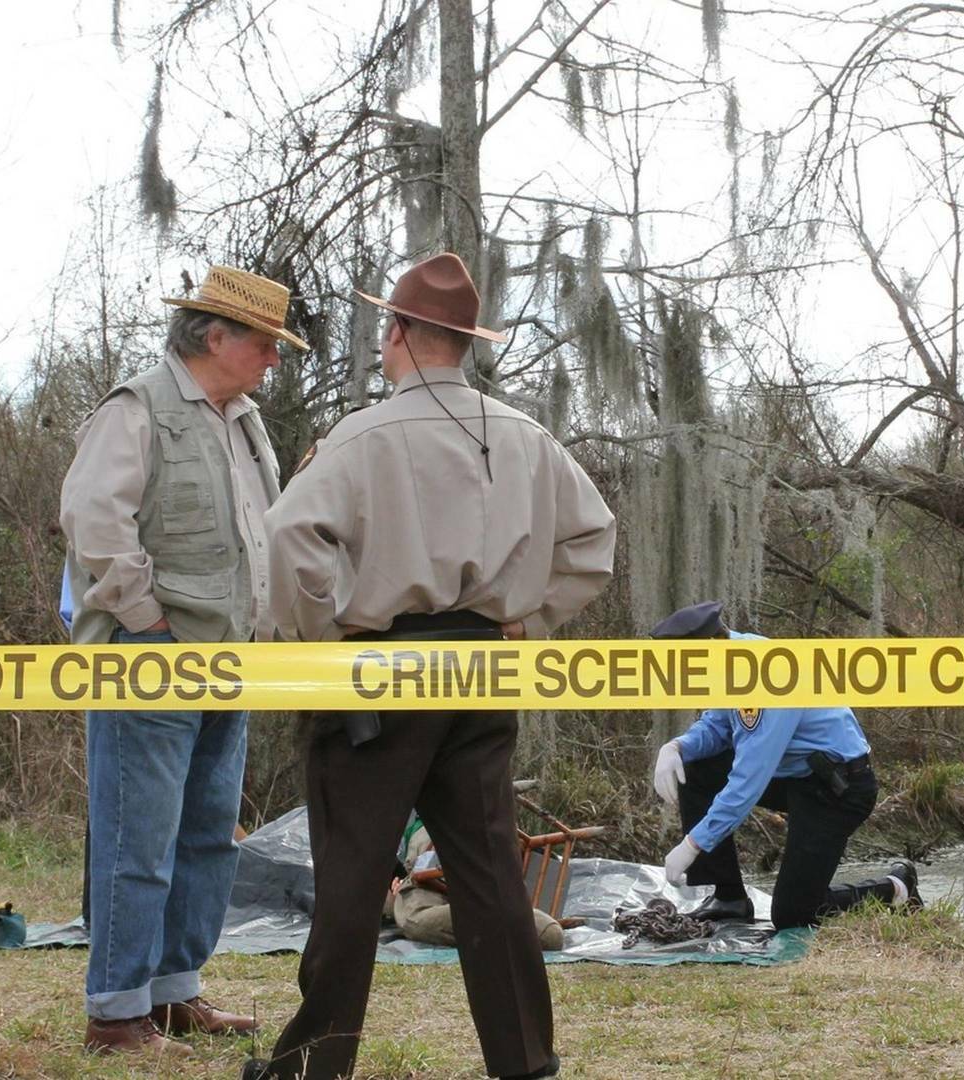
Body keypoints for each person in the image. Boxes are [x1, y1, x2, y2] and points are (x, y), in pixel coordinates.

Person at [250, 252, 615, 1080]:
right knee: (488, 875)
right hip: (483, 668)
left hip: (377, 668)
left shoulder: (362, 434)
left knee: (349, 878)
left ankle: (312, 1068)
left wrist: (321, 647)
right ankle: (525, 1064)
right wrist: (525, 621)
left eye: (387, 329)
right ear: (466, 341)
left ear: (402, 333)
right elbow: (594, 541)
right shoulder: (527, 436)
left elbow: (287, 537)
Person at [61, 265, 305, 1057]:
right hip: (151, 660)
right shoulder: (136, 409)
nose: (273, 358)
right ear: (215, 336)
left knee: (206, 834)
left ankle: (173, 995)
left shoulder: (243, 419)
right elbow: (95, 521)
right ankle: (116, 1015)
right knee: (139, 837)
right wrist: (148, 624)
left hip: (228, 661)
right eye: (265, 343)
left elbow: (258, 535)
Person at [649, 601, 920, 929]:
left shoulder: (768, 675)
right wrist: (677, 746)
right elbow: (718, 726)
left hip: (837, 790)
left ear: (708, 649)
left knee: (793, 915)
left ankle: (895, 887)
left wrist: (694, 844)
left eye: (685, 665)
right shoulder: (732, 659)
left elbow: (749, 779)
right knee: (695, 766)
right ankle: (729, 898)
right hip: (795, 777)